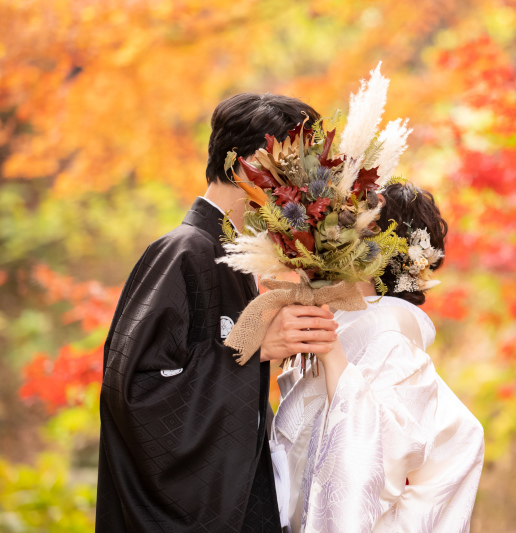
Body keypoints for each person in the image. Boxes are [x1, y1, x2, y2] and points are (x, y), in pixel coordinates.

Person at [96, 93, 339, 532]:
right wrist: (253, 349)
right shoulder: (183, 251)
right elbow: (134, 393)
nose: (304, 187)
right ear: (253, 163)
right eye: (297, 166)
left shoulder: (234, 260)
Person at [270, 183, 485, 532]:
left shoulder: (390, 347)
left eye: (344, 223)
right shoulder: (337, 337)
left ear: (374, 249)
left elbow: (359, 480)